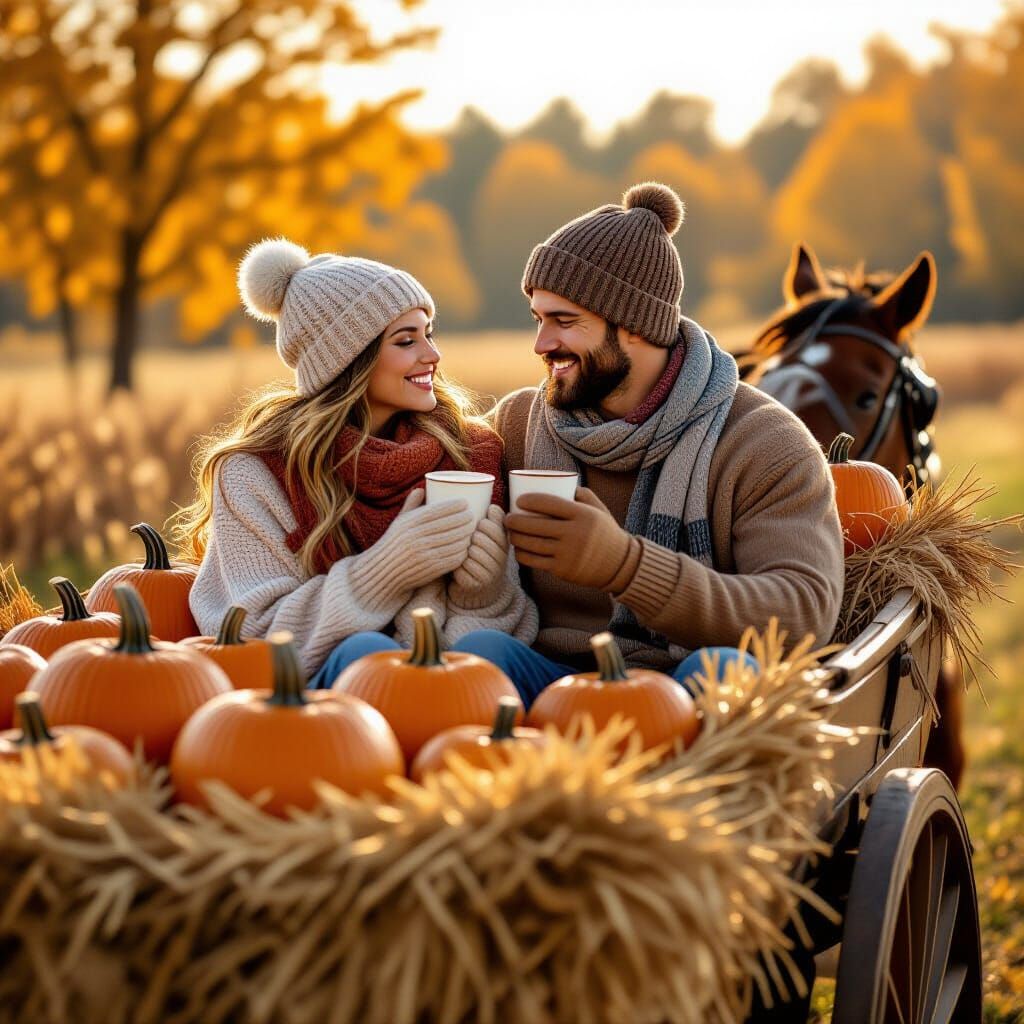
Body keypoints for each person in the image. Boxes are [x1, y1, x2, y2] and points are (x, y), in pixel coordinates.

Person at [454, 182, 844, 713]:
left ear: (635, 326)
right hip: (550, 683)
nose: (541, 344)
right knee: (480, 655)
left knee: (726, 672)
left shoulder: (763, 441)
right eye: (539, 319)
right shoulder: (517, 423)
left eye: (564, 321)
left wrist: (624, 566)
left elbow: (803, 615)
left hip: (680, 689)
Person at [176, 239, 536, 688]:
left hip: (451, 700)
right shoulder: (256, 471)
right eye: (406, 340)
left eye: (429, 333)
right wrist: (381, 572)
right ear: (348, 361)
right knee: (363, 654)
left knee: (487, 650)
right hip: (323, 710)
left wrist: (483, 596)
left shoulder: (470, 454)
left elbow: (479, 653)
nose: (432, 354)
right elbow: (253, 638)